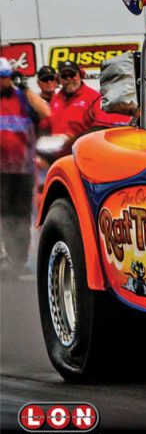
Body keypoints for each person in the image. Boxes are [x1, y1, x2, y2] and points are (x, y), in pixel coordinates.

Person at [0, 57, 51, 274]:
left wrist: (25, 89)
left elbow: (46, 112)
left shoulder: (22, 97)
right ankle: (6, 257)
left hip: (22, 170)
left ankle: (19, 261)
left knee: (20, 216)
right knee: (3, 215)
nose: (3, 81)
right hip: (1, 171)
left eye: (6, 77)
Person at [44, 61, 129, 142]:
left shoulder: (94, 97)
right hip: (56, 150)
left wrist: (73, 140)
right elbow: (46, 125)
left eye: (72, 75)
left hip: (80, 149)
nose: (68, 78)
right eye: (64, 76)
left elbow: (101, 128)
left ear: (80, 75)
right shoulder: (55, 99)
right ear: (59, 79)